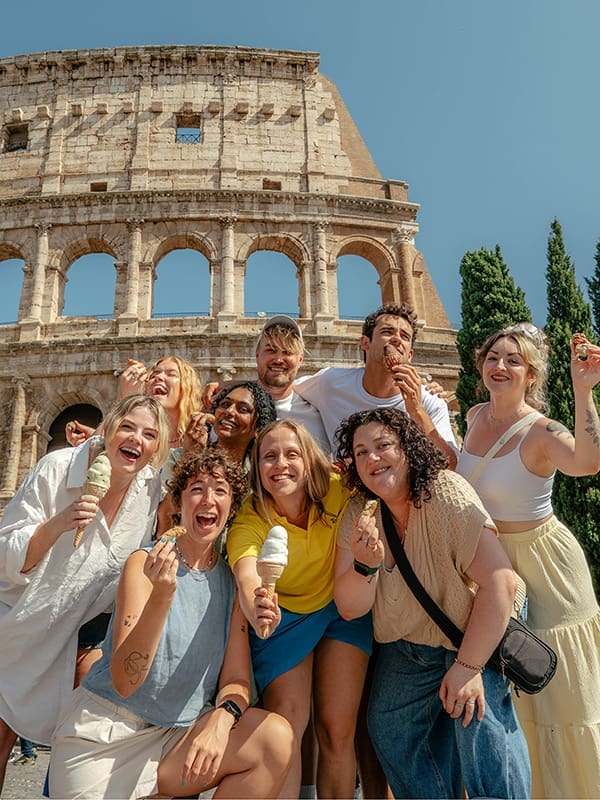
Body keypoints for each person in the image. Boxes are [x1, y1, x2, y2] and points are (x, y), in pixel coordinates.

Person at [49, 450, 293, 800]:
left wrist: (222, 720)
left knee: (275, 738)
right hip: (104, 734)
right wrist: (162, 597)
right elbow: (125, 680)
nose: (208, 499)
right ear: (178, 503)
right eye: (196, 488)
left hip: (174, 742)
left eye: (220, 490)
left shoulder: (229, 583)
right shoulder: (143, 564)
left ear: (232, 507)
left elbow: (236, 681)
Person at [334, 407, 531, 799]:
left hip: (477, 623)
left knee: (479, 721)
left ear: (407, 448)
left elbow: (500, 583)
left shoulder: (445, 493)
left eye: (383, 445)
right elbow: (350, 607)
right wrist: (364, 566)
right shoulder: (358, 514)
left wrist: (469, 666)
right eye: (361, 452)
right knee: (390, 724)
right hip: (412, 643)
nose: (373, 458)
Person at [456, 324, 600, 799]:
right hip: (493, 566)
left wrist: (584, 392)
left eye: (513, 360)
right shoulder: (474, 415)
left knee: (564, 694)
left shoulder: (542, 429)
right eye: (493, 357)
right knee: (516, 694)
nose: (500, 366)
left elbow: (587, 462)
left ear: (531, 375)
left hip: (546, 565)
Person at [0, 395, 170, 792]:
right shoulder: (58, 467)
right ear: (108, 429)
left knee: (76, 748)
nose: (136, 439)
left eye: (150, 434)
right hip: (16, 620)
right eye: (128, 427)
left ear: (156, 449)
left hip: (72, 638)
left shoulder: (149, 489)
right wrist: (59, 523)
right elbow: (5, 551)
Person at [226, 419, 372, 799]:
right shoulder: (251, 516)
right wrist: (256, 601)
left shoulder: (340, 492)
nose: (280, 464)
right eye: (269, 456)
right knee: (286, 725)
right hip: (285, 618)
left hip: (341, 609)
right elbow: (246, 573)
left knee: (336, 728)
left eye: (292, 454)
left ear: (309, 461)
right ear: (256, 467)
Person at [292, 303, 457, 465]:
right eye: (387, 332)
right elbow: (284, 393)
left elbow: (450, 465)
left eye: (405, 336)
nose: (397, 339)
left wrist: (417, 411)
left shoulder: (430, 400)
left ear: (410, 354)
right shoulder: (330, 383)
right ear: (365, 343)